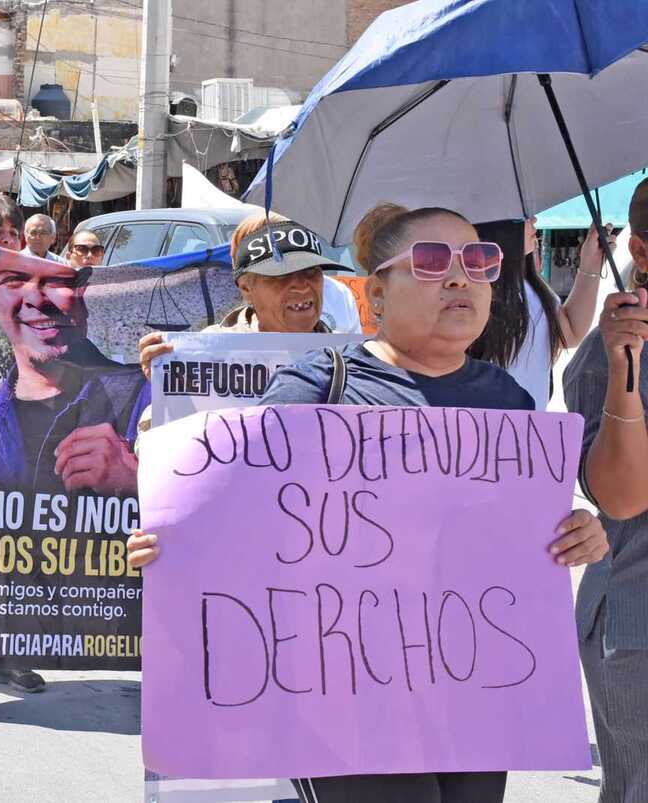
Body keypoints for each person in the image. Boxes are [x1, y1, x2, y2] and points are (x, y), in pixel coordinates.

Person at [130, 202, 610, 803]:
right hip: (346, 702)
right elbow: (235, 502)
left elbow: (522, 532)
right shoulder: (322, 384)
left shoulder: (506, 400)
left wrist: (579, 532)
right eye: (432, 262)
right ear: (376, 296)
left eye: (479, 261)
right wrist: (175, 544)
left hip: (473, 697)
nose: (460, 277)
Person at [0, 193, 150, 693]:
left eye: (53, 284)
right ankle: (0, 647)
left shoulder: (132, 390)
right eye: (10, 276)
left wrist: (133, 477)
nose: (37, 299)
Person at [563, 177, 648, 803]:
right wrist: (625, 372)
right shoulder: (605, 356)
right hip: (637, 625)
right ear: (640, 252)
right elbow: (621, 500)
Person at [138, 213, 337, 383]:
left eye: (310, 270)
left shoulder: (349, 358)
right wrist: (164, 386)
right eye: (281, 274)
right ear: (246, 288)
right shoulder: (202, 355)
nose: (302, 285)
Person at [471, 217, 605, 409]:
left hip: (532, 429)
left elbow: (570, 332)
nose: (534, 220)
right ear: (499, 224)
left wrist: (590, 264)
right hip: (485, 428)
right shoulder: (474, 288)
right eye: (524, 216)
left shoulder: (528, 283)